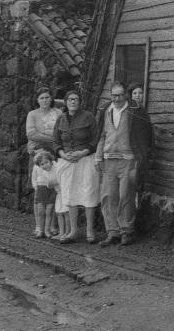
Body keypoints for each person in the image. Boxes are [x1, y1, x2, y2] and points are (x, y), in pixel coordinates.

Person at [95, 82, 153, 247]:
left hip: (128, 160)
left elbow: (145, 136)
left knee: (126, 196)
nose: (117, 98)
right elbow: (102, 135)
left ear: (126, 95)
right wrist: (98, 157)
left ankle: (126, 231)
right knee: (108, 196)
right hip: (108, 160)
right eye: (114, 95)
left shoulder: (135, 111)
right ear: (110, 95)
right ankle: (112, 232)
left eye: (120, 95)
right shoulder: (106, 110)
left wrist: (141, 159)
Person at [53, 90, 99, 244]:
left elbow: (95, 139)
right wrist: (62, 154)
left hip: (85, 160)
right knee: (70, 193)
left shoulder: (88, 117)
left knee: (88, 193)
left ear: (80, 102)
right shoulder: (60, 119)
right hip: (67, 161)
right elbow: (56, 142)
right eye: (70, 99)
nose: (73, 102)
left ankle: (89, 230)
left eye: (76, 99)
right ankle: (73, 231)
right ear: (66, 102)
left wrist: (83, 152)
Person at [25, 86, 62, 236]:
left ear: (51, 98)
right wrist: (52, 138)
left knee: (53, 188)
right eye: (42, 98)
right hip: (38, 154)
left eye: (47, 97)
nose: (45, 100)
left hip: (54, 155)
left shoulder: (58, 113)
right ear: (37, 100)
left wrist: (50, 138)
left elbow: (61, 131)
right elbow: (31, 133)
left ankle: (51, 225)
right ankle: (39, 226)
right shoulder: (32, 114)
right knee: (39, 190)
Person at [30, 150, 58, 238]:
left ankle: (47, 230)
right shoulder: (36, 167)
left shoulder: (55, 166)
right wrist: (36, 187)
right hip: (40, 190)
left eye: (46, 162)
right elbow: (33, 178)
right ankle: (40, 230)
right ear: (39, 165)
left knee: (49, 211)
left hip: (51, 190)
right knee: (41, 211)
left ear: (50, 161)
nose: (44, 165)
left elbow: (58, 177)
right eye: (42, 164)